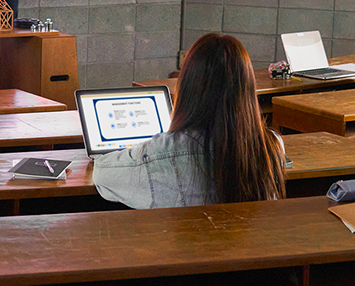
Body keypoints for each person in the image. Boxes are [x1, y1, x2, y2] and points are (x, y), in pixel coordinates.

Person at [92, 33, 286, 209]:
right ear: (247, 88)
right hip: (247, 239)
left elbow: (102, 173)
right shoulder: (272, 146)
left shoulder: (162, 152)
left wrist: (142, 149)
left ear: (187, 86)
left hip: (184, 239)